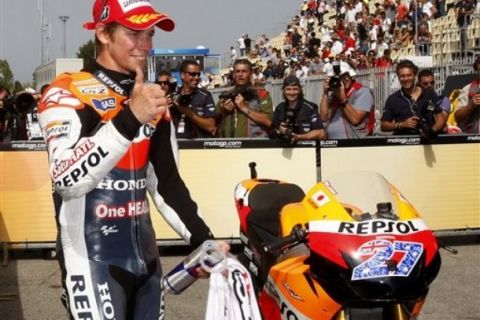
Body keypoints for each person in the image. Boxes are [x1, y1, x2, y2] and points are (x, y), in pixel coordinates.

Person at [37, 1, 226, 319]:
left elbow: (166, 182)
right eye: (133, 34)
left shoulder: (153, 99)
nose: (145, 45)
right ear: (103, 33)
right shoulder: (67, 92)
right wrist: (129, 119)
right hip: (91, 260)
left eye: (149, 35)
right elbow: (65, 180)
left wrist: (202, 239)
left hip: (147, 262)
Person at [380, 60, 444, 136]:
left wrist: (432, 131)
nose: (406, 79)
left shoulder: (428, 94)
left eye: (409, 75)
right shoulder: (393, 99)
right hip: (403, 142)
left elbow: (440, 118)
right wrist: (402, 124)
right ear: (398, 77)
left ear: (415, 76)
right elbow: (383, 125)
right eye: (402, 76)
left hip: (427, 142)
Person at [216, 59, 273, 138]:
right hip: (229, 147)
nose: (240, 74)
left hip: (254, 146)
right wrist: (224, 112)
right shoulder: (226, 96)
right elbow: (213, 123)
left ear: (251, 74)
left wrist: (244, 108)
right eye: (237, 71)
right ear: (233, 75)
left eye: (244, 71)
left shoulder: (261, 94)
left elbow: (268, 121)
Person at [320, 62, 375, 139]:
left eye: (346, 75)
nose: (344, 79)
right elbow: (323, 117)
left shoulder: (362, 91)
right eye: (340, 77)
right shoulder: (335, 93)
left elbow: (355, 119)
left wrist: (343, 99)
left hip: (354, 143)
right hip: (332, 143)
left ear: (351, 76)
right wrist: (325, 93)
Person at [271, 75, 326, 144]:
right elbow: (271, 133)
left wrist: (299, 137)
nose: (291, 93)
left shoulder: (310, 108)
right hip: (284, 150)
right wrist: (279, 131)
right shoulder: (279, 108)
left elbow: (321, 133)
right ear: (283, 90)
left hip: (306, 150)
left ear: (300, 90)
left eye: (295, 89)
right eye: (288, 89)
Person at [172, 59, 217, 139]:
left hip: (197, 147)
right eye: (192, 74)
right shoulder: (173, 96)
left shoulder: (205, 96)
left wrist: (189, 113)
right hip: (176, 146)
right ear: (182, 75)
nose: (196, 78)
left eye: (198, 74)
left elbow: (211, 127)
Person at [454, 56, 480, 134]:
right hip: (474, 138)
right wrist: (470, 106)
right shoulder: (468, 89)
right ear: (476, 71)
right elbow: (457, 117)